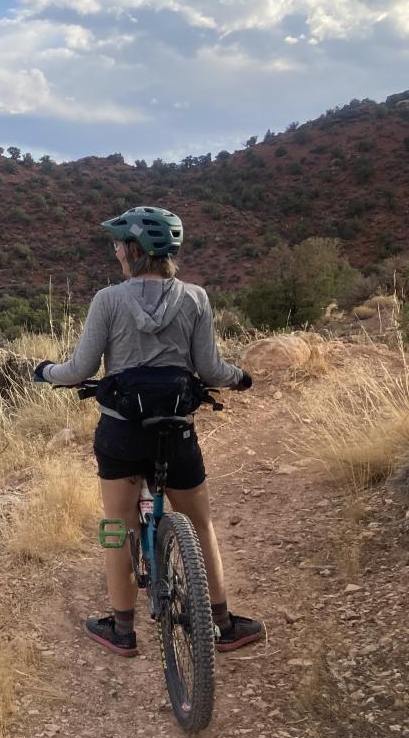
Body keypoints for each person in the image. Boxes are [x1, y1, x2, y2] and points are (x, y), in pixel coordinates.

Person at [32, 206, 264, 655]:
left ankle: (121, 627)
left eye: (119, 243)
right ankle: (222, 623)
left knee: (114, 525)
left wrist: (46, 371)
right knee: (201, 523)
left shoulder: (108, 300)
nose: (115, 250)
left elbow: (81, 368)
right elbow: (211, 369)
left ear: (134, 249)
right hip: (176, 432)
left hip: (121, 434)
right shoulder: (195, 297)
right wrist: (240, 377)